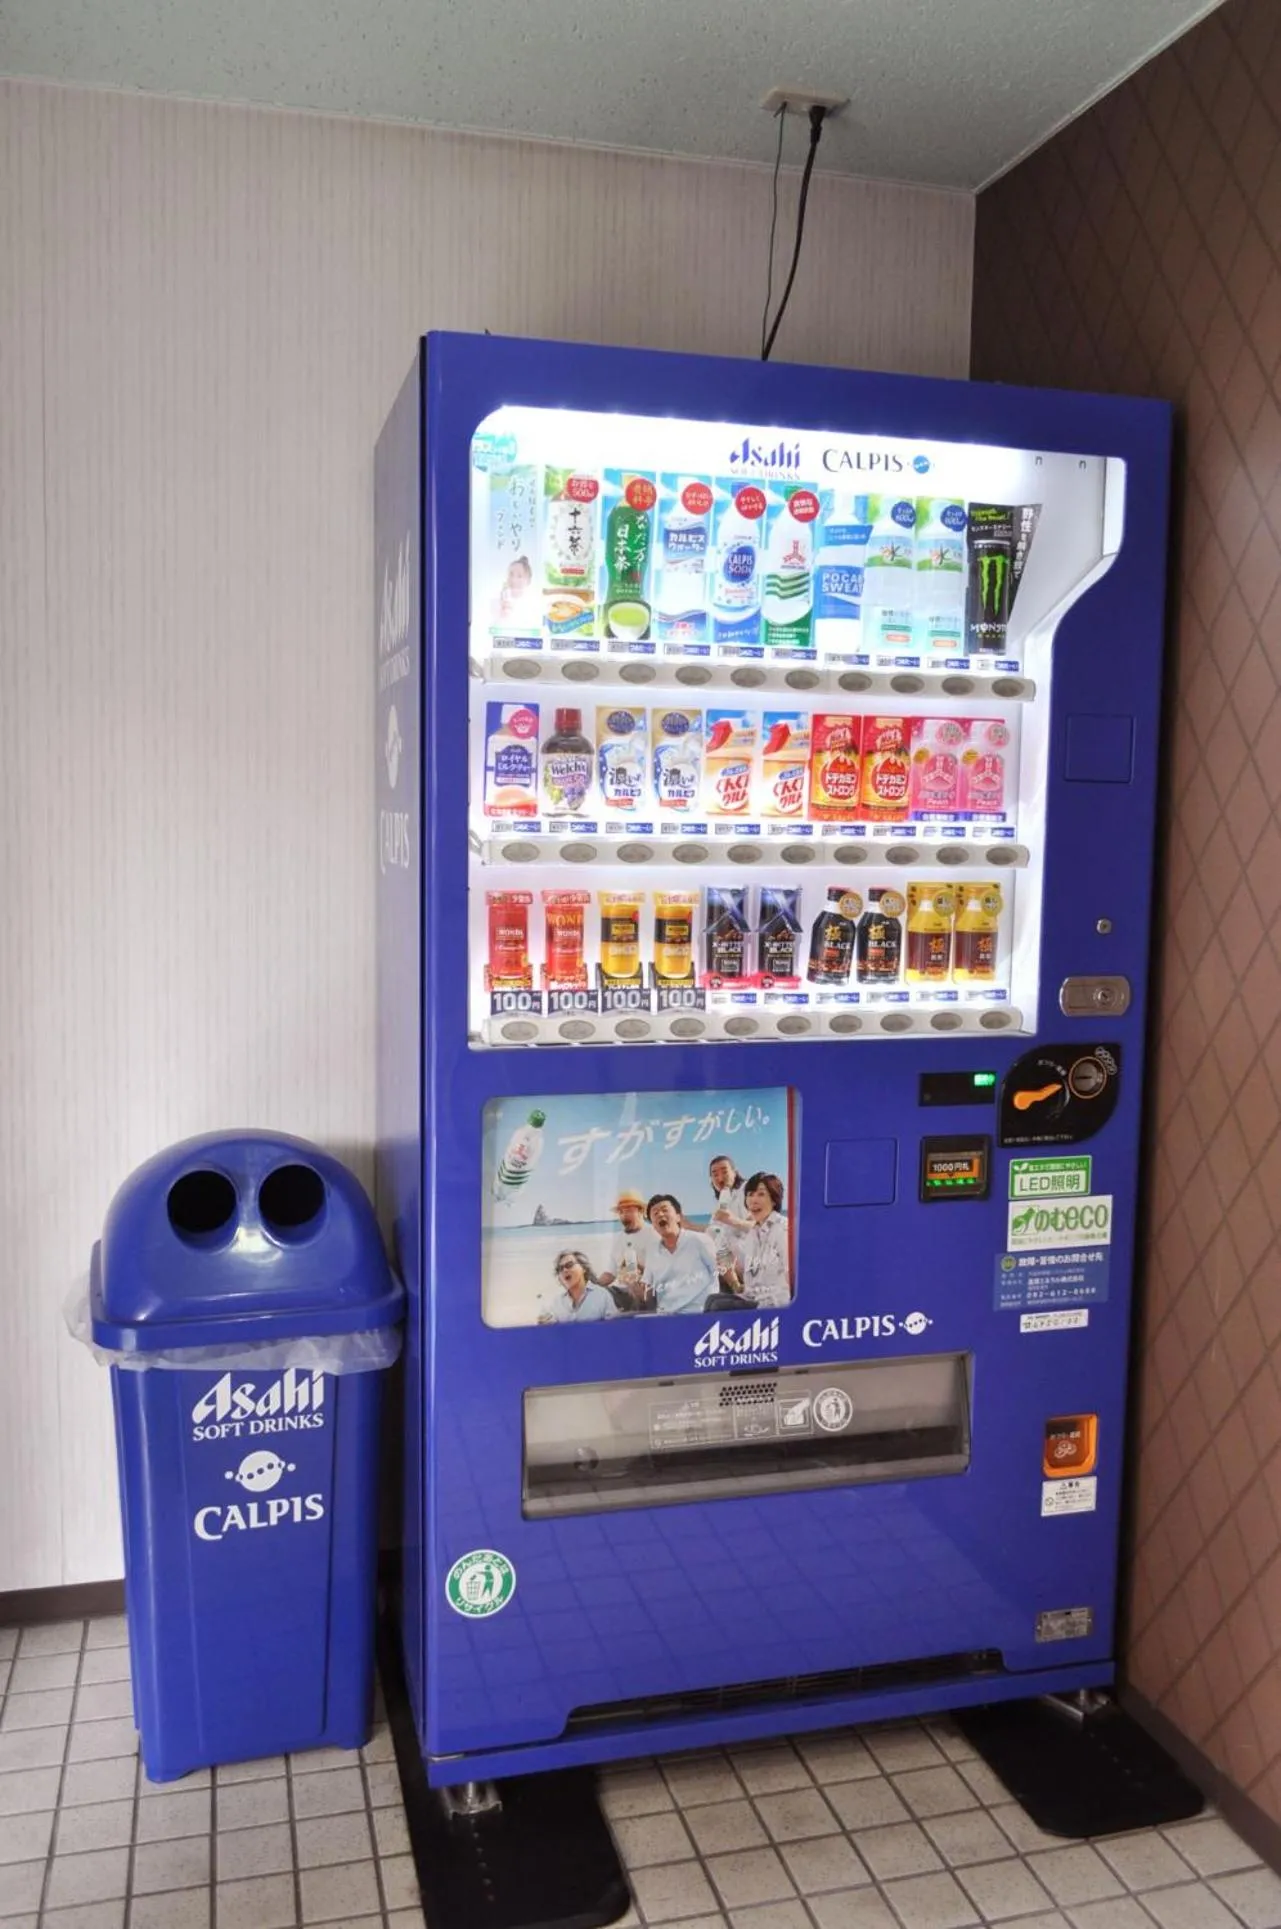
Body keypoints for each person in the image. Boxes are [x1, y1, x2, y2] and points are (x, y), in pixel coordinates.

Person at [642, 1194, 719, 1316]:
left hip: (698, 1313)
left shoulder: (700, 1240)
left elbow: (718, 1272)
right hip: (666, 1316)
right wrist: (632, 1285)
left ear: (678, 1217)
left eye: (665, 1210)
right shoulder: (652, 1250)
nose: (660, 1214)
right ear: (653, 1224)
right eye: (655, 1213)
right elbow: (648, 1290)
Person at [737, 1172, 791, 1308]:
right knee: (713, 1300)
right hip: (754, 1297)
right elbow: (751, 1278)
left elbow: (791, 1278)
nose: (753, 1200)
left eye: (761, 1194)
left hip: (774, 1303)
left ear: (774, 1200)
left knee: (718, 1307)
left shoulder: (783, 1229)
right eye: (750, 1194)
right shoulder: (752, 1233)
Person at [598, 1190, 658, 1291]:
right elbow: (610, 1273)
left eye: (629, 1210)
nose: (624, 1215)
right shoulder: (618, 1238)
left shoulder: (654, 1235)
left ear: (640, 1211)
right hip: (622, 1291)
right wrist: (591, 1288)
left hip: (646, 1292)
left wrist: (638, 1268)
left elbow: (662, 1273)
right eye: (621, 1212)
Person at [539, 1250, 618, 1324]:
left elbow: (615, 1329)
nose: (565, 1270)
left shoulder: (602, 1296)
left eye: (569, 1265)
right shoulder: (555, 1303)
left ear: (583, 1269)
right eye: (560, 1269)